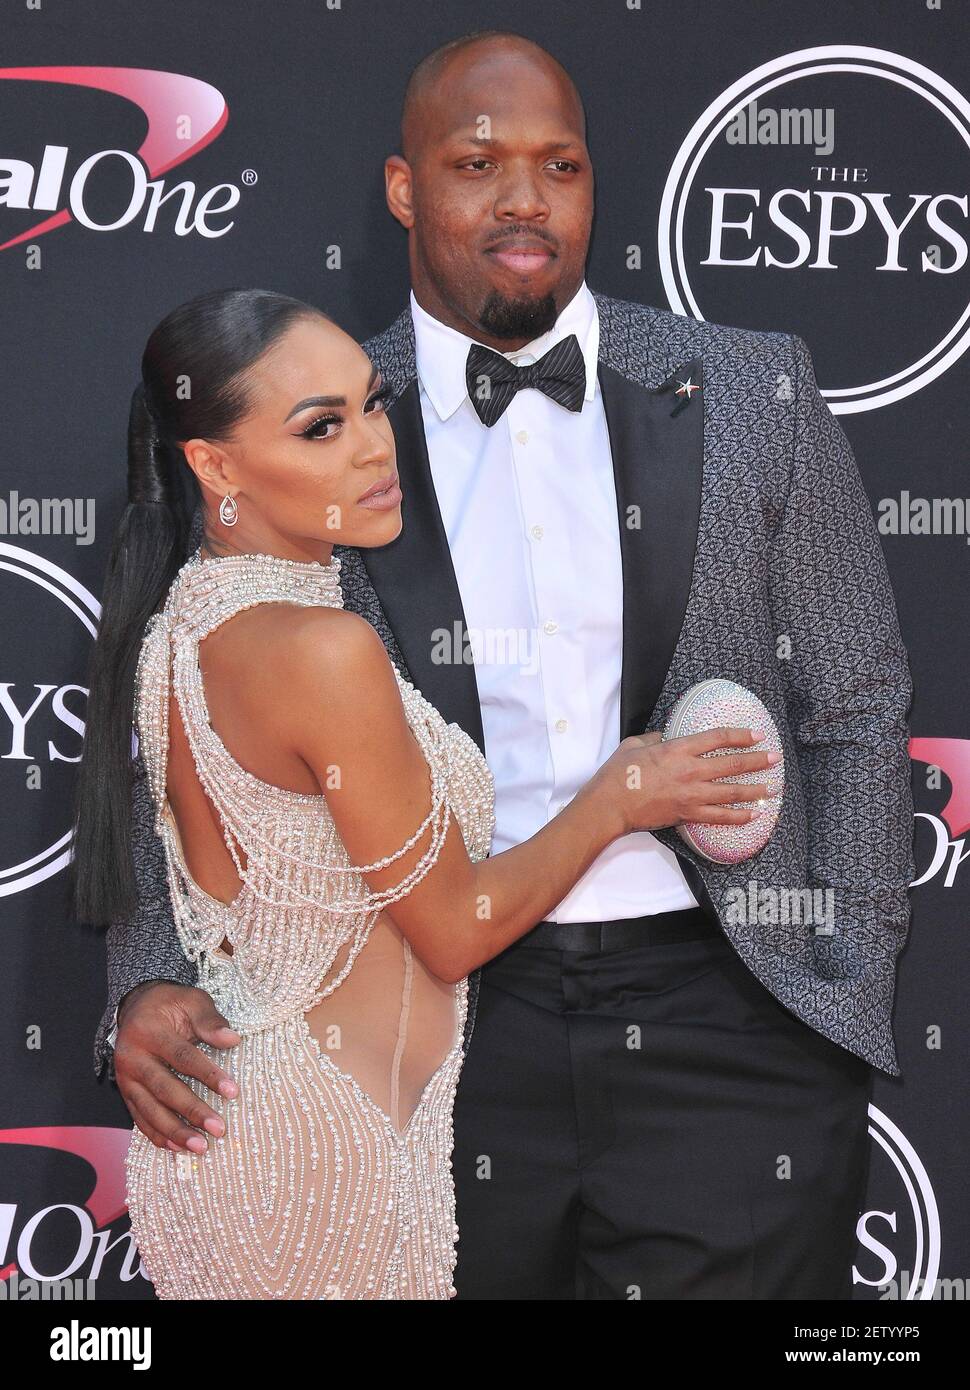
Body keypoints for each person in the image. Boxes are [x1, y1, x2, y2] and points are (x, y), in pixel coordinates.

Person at [90, 30, 915, 1300]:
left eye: (561, 165)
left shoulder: (754, 390)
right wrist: (150, 969)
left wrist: (842, 981)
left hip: (727, 1014)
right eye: (478, 164)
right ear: (406, 189)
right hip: (438, 1026)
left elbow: (854, 700)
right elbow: (195, 709)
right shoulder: (326, 429)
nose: (525, 198)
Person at [69, 285, 775, 1300]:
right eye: (320, 428)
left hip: (259, 1135)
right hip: (321, 1159)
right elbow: (450, 927)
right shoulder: (324, 650)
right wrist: (620, 795)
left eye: (371, 404)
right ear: (213, 465)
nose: (371, 446)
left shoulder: (179, 623)